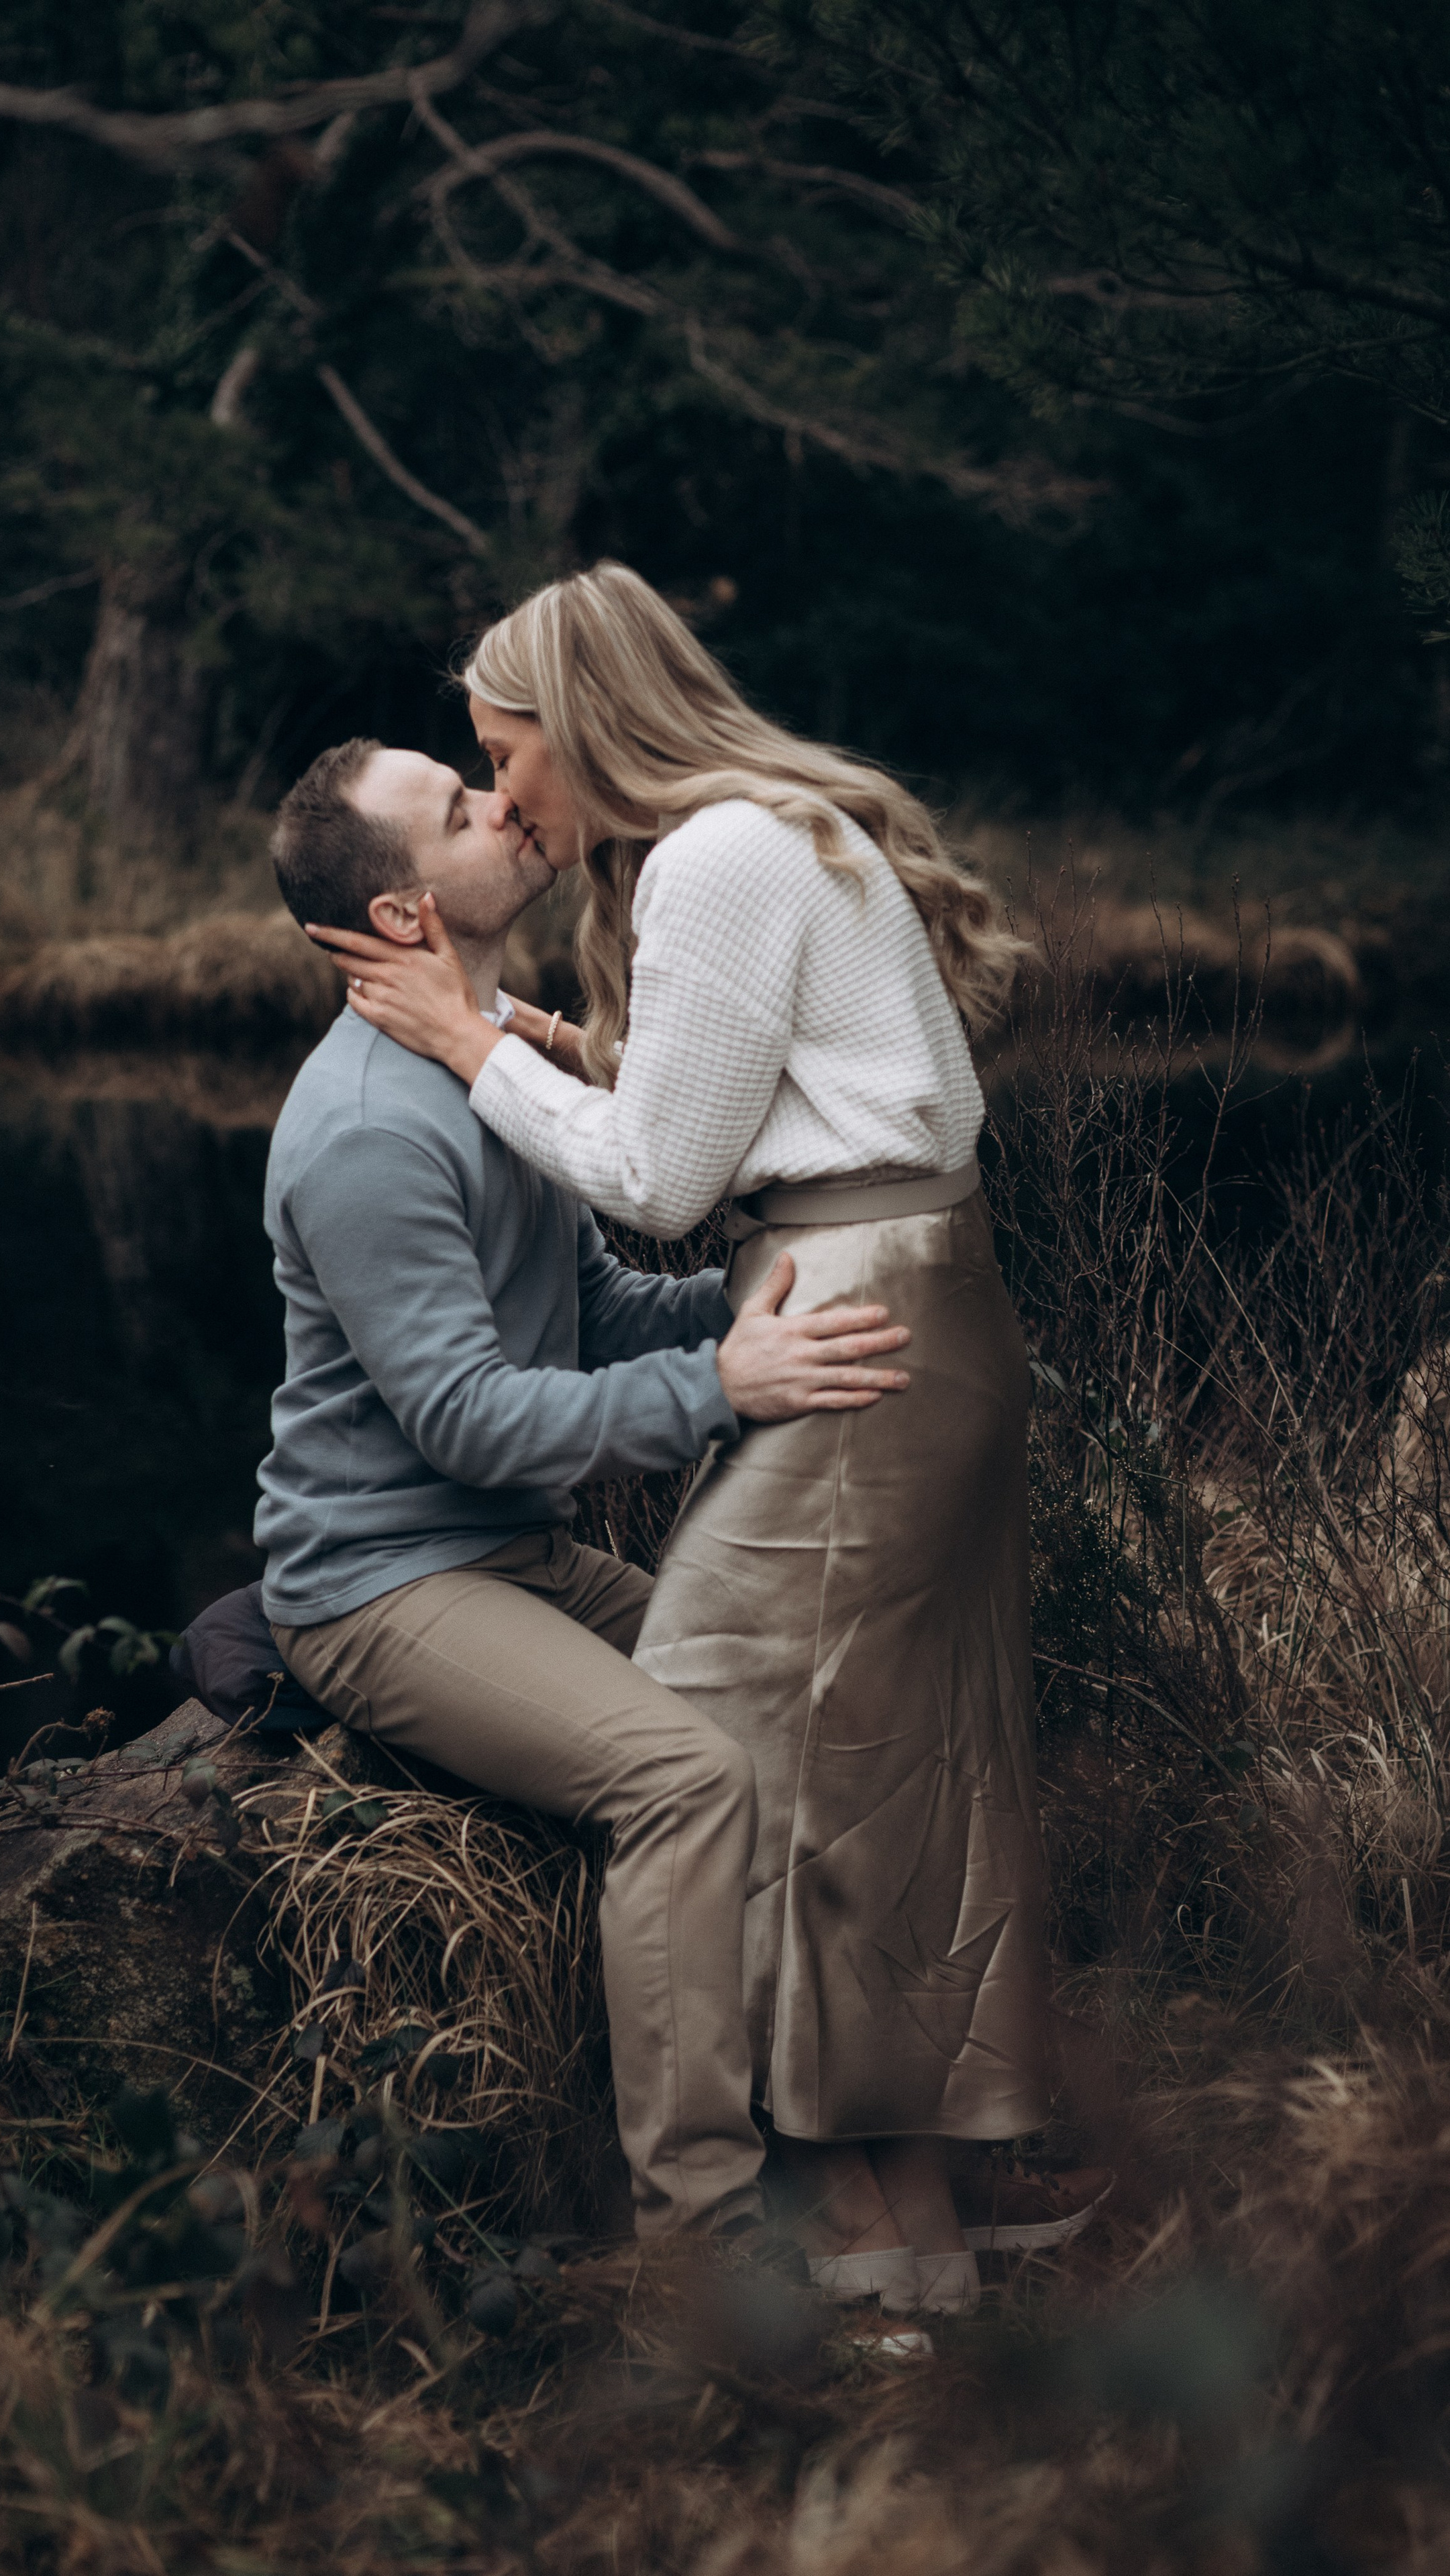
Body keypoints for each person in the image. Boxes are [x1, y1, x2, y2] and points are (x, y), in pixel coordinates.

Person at [306, 564, 1110, 2316]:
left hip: (860, 1290)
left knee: (725, 1709)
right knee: (886, 1768)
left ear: (582, 727)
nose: (505, 791)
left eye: (502, 753)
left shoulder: (716, 860)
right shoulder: (770, 833)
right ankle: (923, 2214)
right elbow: (736, 1109)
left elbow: (669, 1182)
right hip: (898, 1279)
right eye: (468, 780)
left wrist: (473, 1039)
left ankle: (801, 2237)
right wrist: (537, 1047)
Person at [256, 735, 915, 2246]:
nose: (502, 805)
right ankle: (703, 2247)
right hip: (382, 1586)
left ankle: (849, 2146)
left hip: (507, 1557)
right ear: (409, 909)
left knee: (785, 1714)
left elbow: (593, 1311)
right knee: (682, 1781)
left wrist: (761, 1295)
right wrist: (720, 1393)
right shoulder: (365, 1129)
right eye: (459, 807)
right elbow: (475, 1422)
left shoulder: (479, 1058)